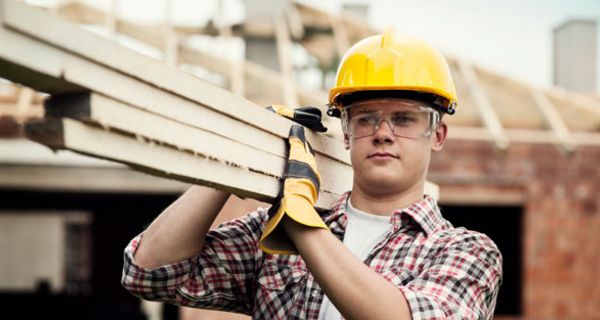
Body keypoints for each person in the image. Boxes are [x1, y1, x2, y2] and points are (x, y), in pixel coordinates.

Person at [122, 28, 502, 319]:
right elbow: (148, 272)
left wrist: (300, 223)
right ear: (347, 133)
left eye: (403, 118)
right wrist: (237, 160)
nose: (383, 132)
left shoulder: (466, 252)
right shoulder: (272, 233)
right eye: (366, 118)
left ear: (437, 135)